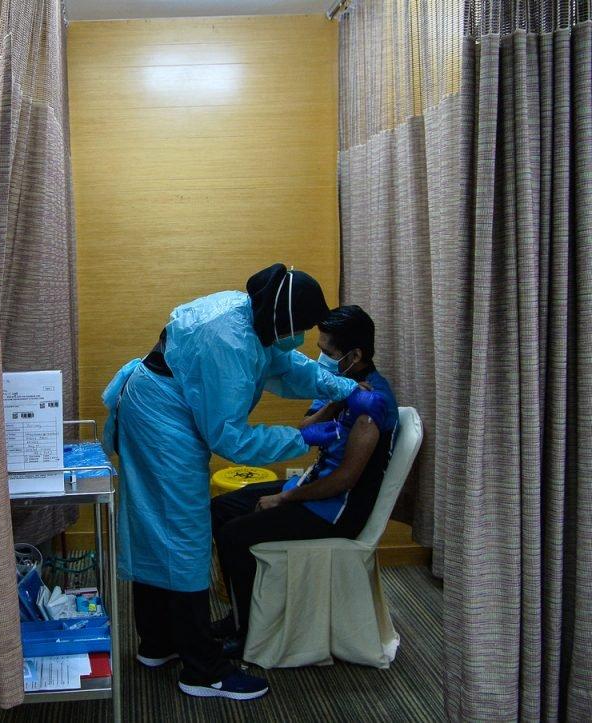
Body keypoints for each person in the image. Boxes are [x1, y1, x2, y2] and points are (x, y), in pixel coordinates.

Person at [102, 264, 371, 701]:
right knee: (184, 535)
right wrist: (300, 437)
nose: (300, 336)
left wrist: (340, 387)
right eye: (299, 327)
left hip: (163, 405)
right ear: (280, 319)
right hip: (160, 420)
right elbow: (231, 438)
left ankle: (159, 642)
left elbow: (288, 367)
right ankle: (202, 671)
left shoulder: (254, 314)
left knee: (160, 529)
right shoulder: (226, 341)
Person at [209, 305, 399, 655]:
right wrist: (338, 398)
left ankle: (250, 632)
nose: (320, 359)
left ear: (355, 354)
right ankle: (238, 615)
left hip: (338, 511)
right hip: (315, 489)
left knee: (235, 535)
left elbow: (345, 479)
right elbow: (305, 430)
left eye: (327, 353)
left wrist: (283, 499)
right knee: (220, 509)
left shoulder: (372, 404)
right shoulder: (347, 388)